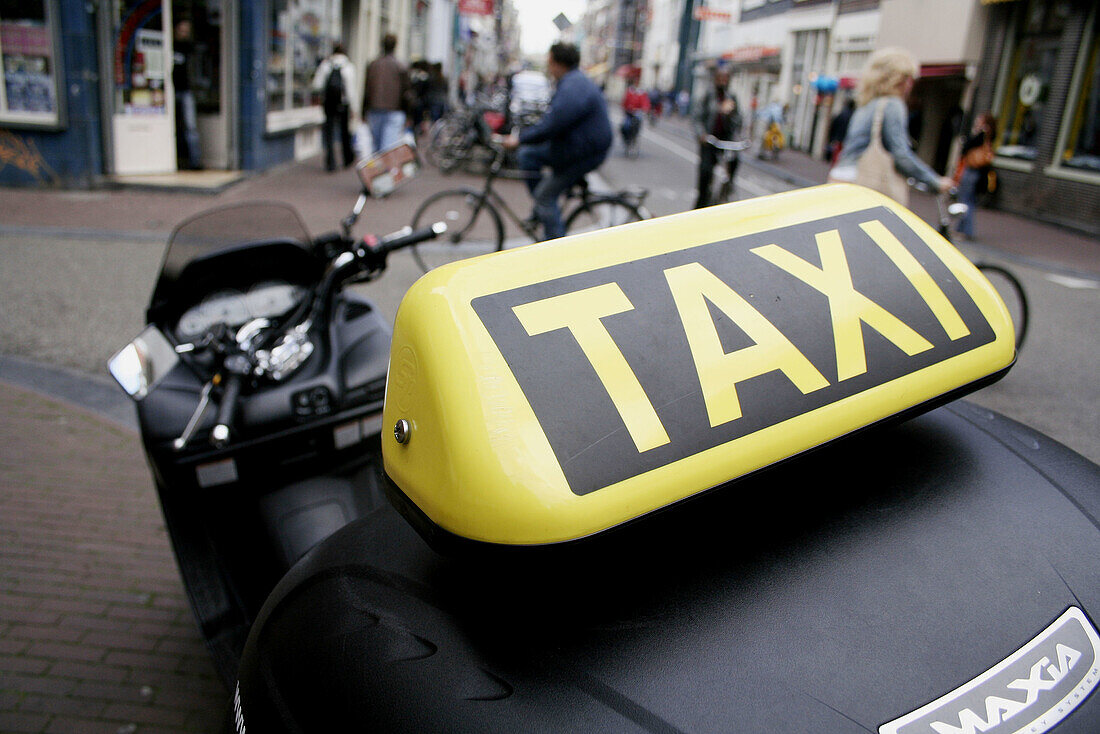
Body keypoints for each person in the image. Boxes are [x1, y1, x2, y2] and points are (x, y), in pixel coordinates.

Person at [501, 42, 613, 241]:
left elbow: (554, 124)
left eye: (549, 61)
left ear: (557, 63)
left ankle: (556, 249)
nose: (548, 66)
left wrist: (520, 139)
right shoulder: (574, 81)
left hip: (583, 152)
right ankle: (543, 210)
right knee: (528, 156)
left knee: (544, 195)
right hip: (577, 146)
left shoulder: (573, 86)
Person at [829, 47, 954, 203]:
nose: (910, 85)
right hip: (863, 185)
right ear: (898, 79)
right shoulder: (892, 105)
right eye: (908, 78)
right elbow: (901, 155)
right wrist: (935, 181)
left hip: (841, 178)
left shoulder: (867, 104)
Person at [693, 66, 743, 209]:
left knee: (735, 160)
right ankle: (700, 203)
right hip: (710, 141)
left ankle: (728, 188)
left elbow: (739, 120)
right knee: (706, 171)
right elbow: (697, 117)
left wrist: (731, 114)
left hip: (725, 140)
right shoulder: (708, 96)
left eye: (725, 78)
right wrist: (701, 134)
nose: (723, 81)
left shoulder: (731, 98)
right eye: (720, 78)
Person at [312, 43, 357, 171]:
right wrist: (353, 108)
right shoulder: (348, 66)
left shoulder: (326, 65)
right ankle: (347, 158)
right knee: (344, 131)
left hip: (329, 103)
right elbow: (351, 90)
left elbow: (317, 84)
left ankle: (330, 161)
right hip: (343, 103)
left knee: (329, 132)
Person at [362, 33, 410, 154]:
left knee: (377, 148)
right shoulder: (401, 66)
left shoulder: (373, 65)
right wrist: (409, 113)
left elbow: (367, 89)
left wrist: (364, 110)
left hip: (375, 109)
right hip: (394, 110)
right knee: (388, 148)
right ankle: (386, 172)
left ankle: (380, 171)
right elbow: (407, 92)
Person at [955, 112, 997, 241]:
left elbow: (968, 146)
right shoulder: (988, 135)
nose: (977, 121)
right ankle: (961, 229)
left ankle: (966, 231)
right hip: (977, 172)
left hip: (973, 170)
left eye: (980, 119)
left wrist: (976, 133)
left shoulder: (982, 134)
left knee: (965, 200)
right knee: (968, 200)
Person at [172, 18, 201, 170]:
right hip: (170, 91)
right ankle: (174, 160)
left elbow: (197, 70)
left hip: (186, 90)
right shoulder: (169, 46)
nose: (183, 34)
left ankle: (194, 162)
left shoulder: (191, 49)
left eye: (186, 31)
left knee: (190, 126)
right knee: (172, 125)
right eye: (181, 30)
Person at [621, 80, 649, 153]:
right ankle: (626, 139)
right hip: (629, 113)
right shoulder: (629, 91)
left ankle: (635, 137)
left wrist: (644, 109)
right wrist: (626, 108)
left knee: (638, 124)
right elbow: (625, 101)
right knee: (625, 126)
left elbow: (645, 103)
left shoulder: (642, 93)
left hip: (637, 113)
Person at [826, 98, 855, 164]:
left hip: (839, 139)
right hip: (847, 140)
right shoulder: (853, 117)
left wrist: (831, 138)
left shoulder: (841, 114)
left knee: (837, 155)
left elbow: (834, 126)